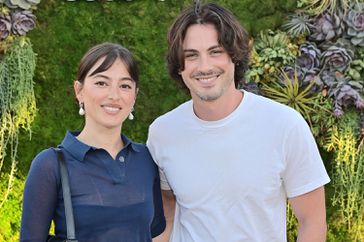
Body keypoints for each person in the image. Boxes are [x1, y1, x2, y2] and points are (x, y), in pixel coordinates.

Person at [147, 2, 330, 242]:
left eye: (216, 51)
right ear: (179, 66)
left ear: (234, 55)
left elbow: (312, 223)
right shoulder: (163, 132)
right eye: (191, 55)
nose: (204, 67)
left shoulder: (285, 125)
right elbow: (166, 211)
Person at [20, 43, 166, 242]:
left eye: (124, 86)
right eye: (101, 83)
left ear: (134, 97)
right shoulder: (50, 165)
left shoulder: (147, 159)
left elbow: (154, 233)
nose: (114, 95)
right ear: (79, 90)